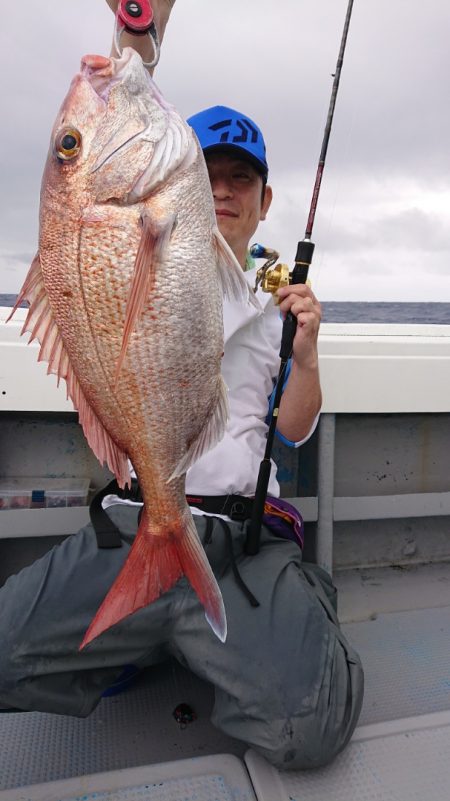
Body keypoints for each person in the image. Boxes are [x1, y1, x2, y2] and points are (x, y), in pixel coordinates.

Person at [0, 0, 363, 771]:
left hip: (237, 543)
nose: (225, 192)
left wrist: (306, 356)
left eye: (243, 181)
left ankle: (219, 625)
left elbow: (294, 431)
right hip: (134, 521)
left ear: (266, 202)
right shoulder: (164, 246)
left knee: (312, 728)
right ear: (188, 183)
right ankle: (162, 629)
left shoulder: (276, 296)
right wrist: (137, 27)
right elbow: (113, 115)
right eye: (213, 175)